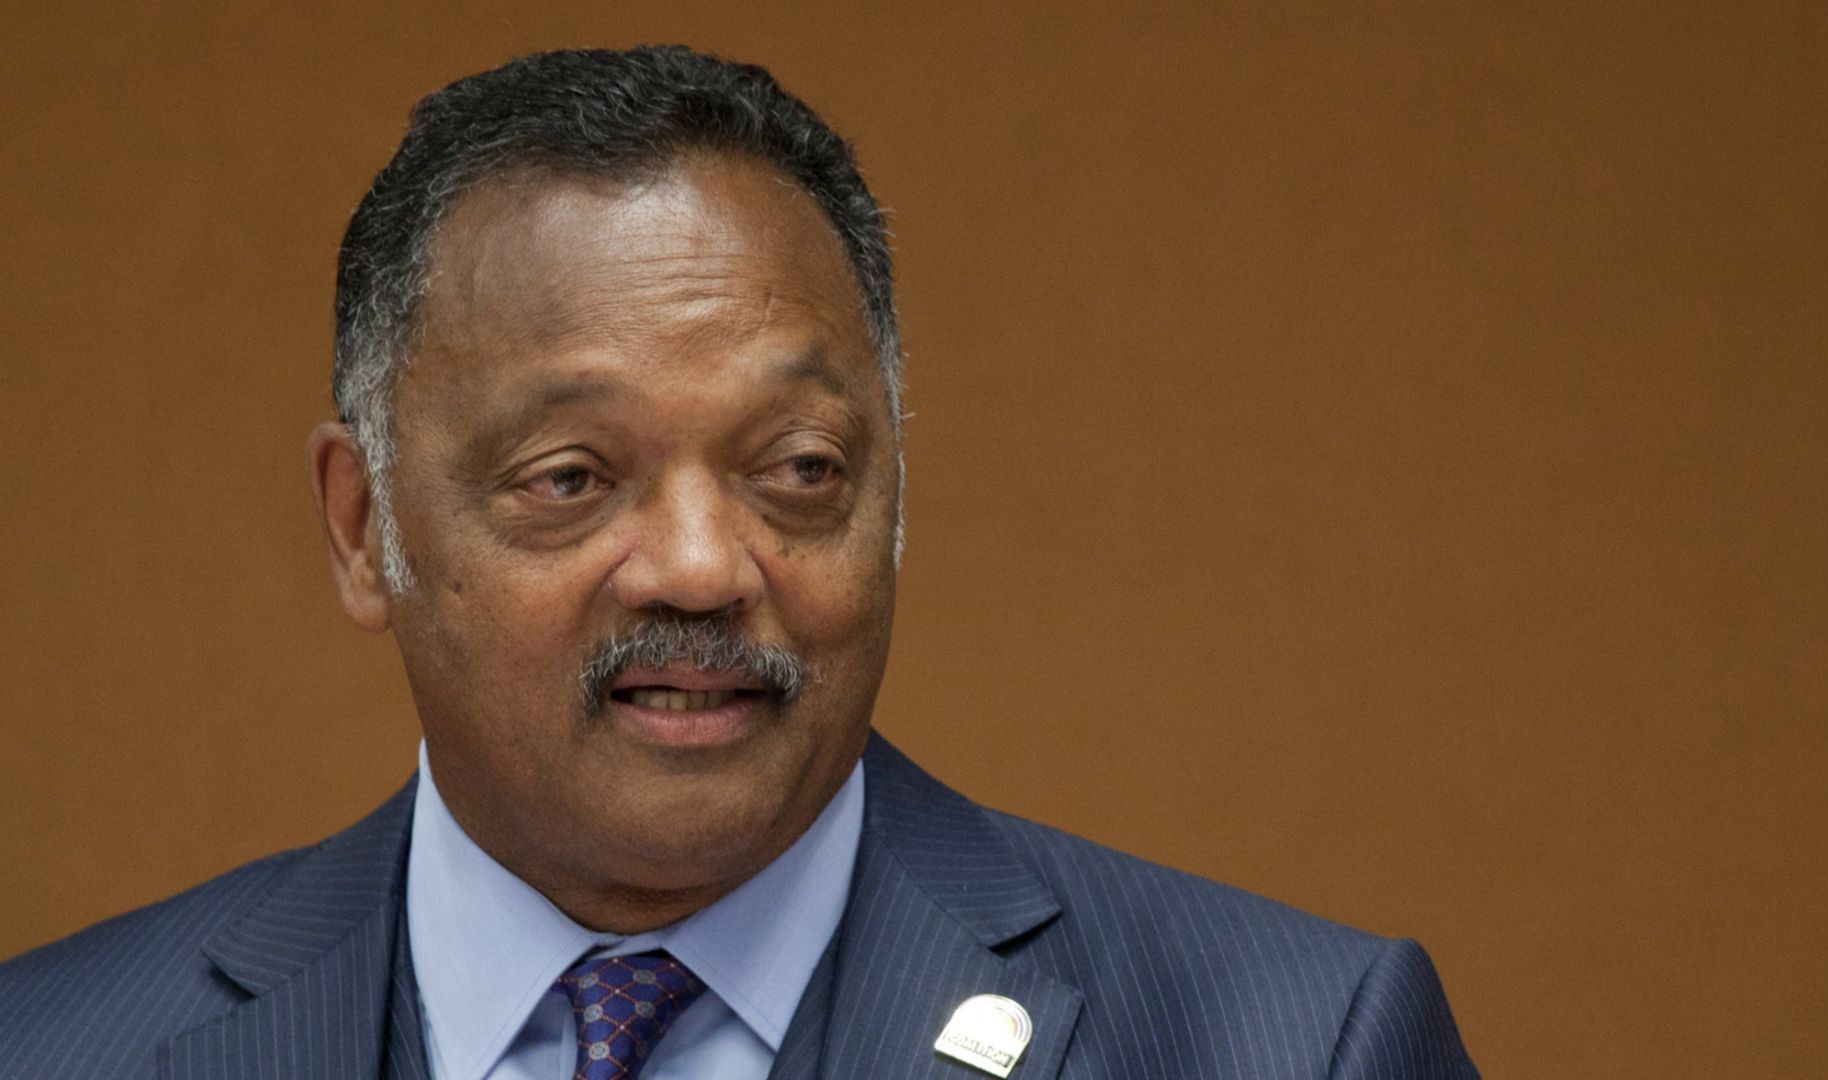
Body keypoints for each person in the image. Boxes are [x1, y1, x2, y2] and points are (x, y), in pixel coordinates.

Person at [0, 45, 1476, 1079]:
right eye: (572, 480)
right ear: (364, 525)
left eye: (799, 473)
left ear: (893, 493)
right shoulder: (56, 1051)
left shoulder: (1293, 1044)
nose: (705, 569)